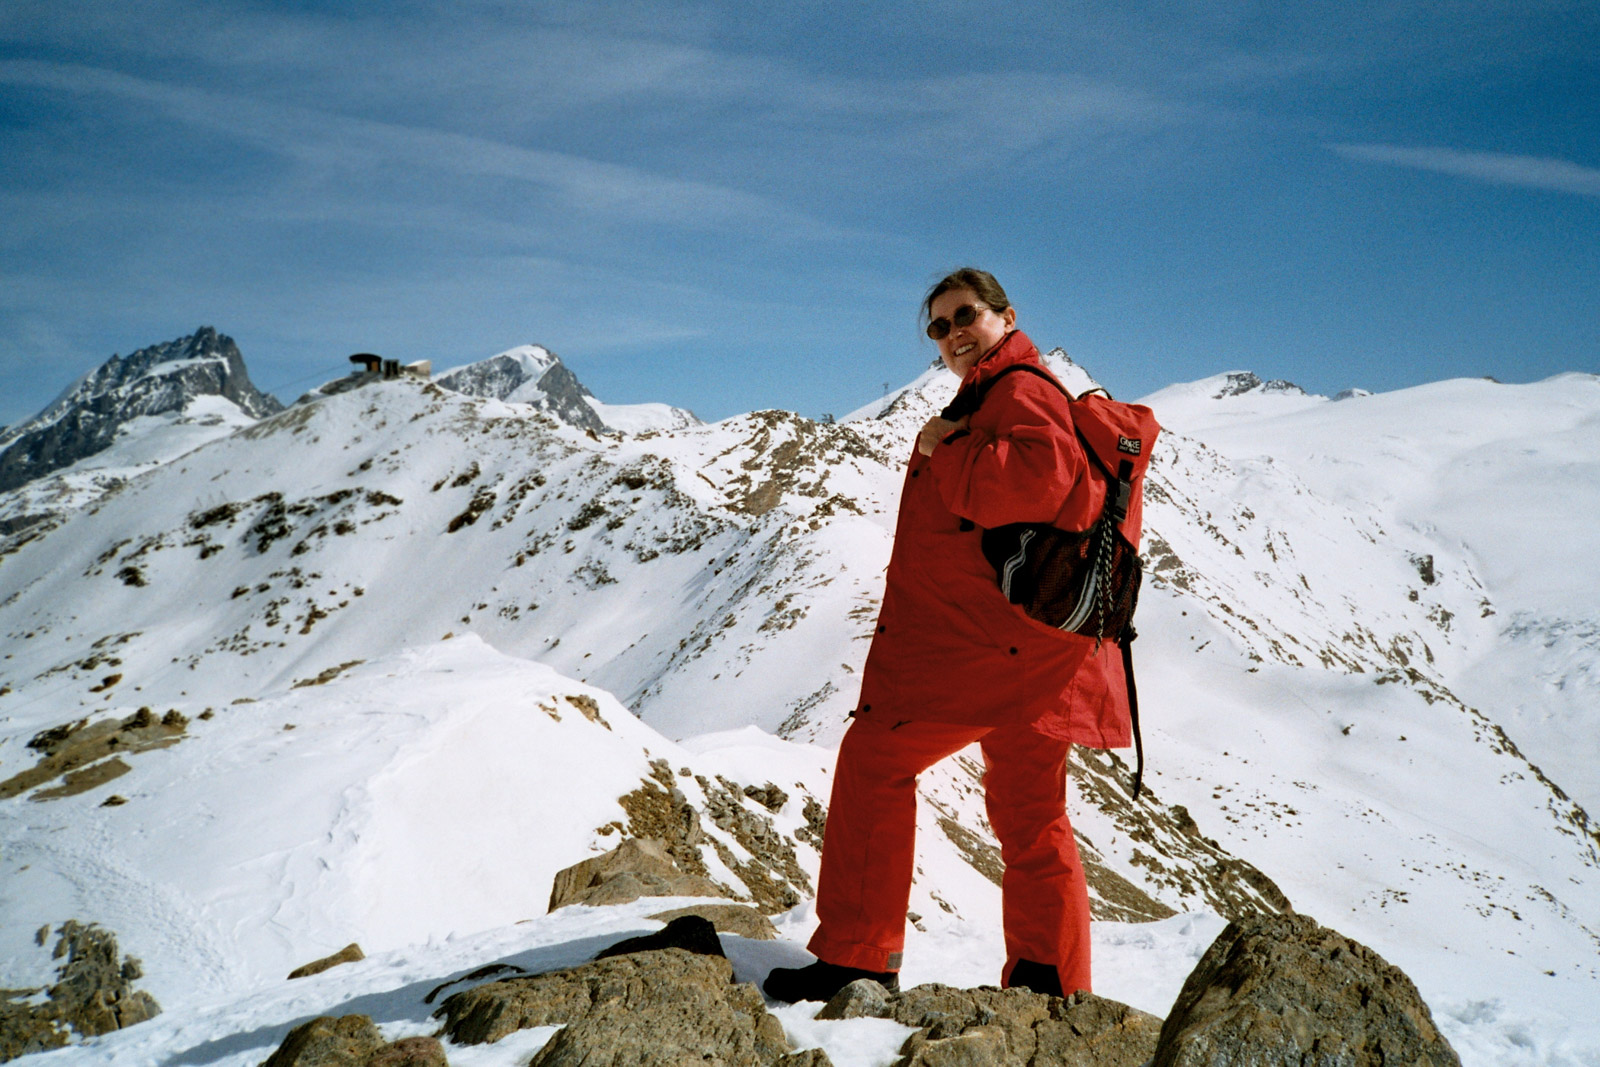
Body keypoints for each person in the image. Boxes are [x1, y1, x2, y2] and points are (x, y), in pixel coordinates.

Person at [763, 268, 1133, 1004]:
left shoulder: (1017, 387)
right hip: (1040, 648)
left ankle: (859, 955)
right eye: (938, 327)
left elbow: (1040, 480)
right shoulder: (1009, 388)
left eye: (966, 316)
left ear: (1006, 317)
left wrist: (946, 449)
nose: (953, 334)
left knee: (875, 759)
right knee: (1032, 812)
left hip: (990, 648)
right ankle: (1049, 980)